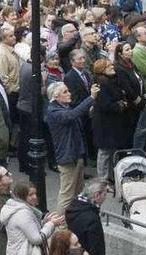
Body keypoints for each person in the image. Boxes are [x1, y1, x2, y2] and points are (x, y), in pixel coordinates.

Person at [46, 82, 99, 211]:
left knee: (77, 193)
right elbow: (72, 115)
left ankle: (74, 221)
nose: (69, 94)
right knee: (67, 195)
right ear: (56, 96)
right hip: (68, 159)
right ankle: (61, 226)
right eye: (65, 92)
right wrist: (91, 98)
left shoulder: (64, 107)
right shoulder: (54, 112)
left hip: (76, 155)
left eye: (68, 90)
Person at [0, 180, 64, 255]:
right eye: (30, 195)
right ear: (22, 197)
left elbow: (29, 228)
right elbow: (36, 239)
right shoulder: (22, 213)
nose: (35, 197)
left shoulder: (19, 208)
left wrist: (44, 222)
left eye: (35, 193)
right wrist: (51, 224)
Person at [65, 180, 108, 255]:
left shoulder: (72, 207)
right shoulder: (92, 219)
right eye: (104, 195)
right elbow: (97, 248)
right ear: (97, 195)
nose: (105, 198)